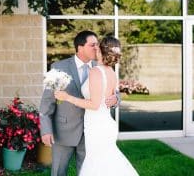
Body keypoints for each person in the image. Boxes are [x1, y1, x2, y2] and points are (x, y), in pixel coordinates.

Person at [54, 36, 139, 176]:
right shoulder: (111, 72)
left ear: (101, 50)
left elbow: (94, 104)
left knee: (96, 165)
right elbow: (107, 97)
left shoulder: (96, 71)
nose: (94, 48)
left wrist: (67, 97)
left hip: (96, 126)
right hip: (104, 124)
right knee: (106, 164)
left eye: (96, 46)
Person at [39, 31, 119, 176]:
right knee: (58, 171)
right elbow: (46, 102)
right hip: (63, 131)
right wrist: (46, 130)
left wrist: (116, 99)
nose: (97, 48)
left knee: (87, 171)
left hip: (91, 131)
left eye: (97, 44)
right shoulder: (58, 67)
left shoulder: (101, 67)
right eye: (92, 45)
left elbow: (114, 92)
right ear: (80, 47)